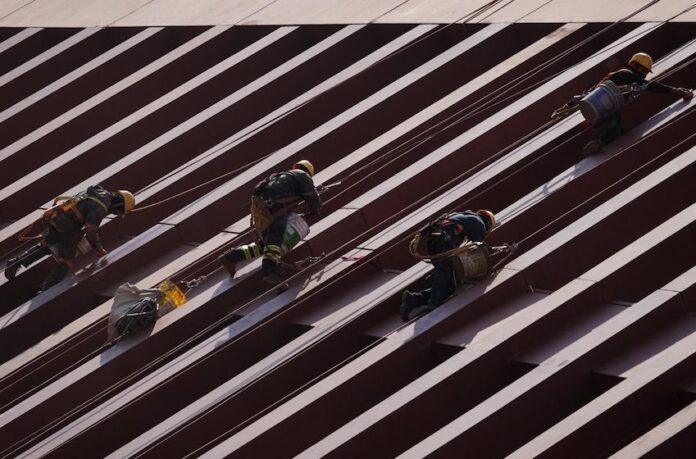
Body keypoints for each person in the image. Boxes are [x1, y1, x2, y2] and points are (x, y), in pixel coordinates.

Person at [4, 186, 135, 291]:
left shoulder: (98, 192)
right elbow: (91, 230)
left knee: (45, 246)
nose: (115, 213)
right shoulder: (101, 207)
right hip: (68, 228)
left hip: (58, 220)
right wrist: (98, 249)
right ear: (120, 204)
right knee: (65, 262)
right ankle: (47, 290)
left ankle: (15, 263)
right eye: (118, 211)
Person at [220, 160, 321, 286]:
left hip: (262, 207)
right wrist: (314, 209)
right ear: (308, 172)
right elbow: (312, 195)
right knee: (275, 240)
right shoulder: (302, 175)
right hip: (275, 208)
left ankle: (232, 256)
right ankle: (270, 271)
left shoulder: (284, 177)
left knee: (266, 244)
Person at [400, 209, 511, 322]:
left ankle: (414, 299)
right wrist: (494, 251)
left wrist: (420, 234)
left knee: (450, 285)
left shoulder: (457, 215)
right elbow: (480, 247)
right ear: (488, 223)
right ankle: (433, 302)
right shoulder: (479, 223)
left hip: (433, 242)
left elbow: (431, 225)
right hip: (445, 241)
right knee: (445, 269)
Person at [581, 52, 693, 155]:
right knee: (611, 125)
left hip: (601, 107)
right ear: (635, 65)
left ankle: (603, 142)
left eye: (645, 71)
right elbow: (650, 85)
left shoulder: (621, 75)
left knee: (617, 129)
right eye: (643, 70)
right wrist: (675, 91)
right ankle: (597, 142)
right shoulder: (627, 74)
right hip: (603, 108)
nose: (644, 74)